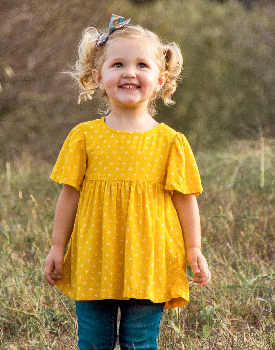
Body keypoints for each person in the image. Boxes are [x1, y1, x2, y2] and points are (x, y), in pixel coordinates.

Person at [42, 14, 211, 350]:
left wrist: (194, 249)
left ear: (160, 78)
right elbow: (69, 195)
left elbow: (185, 199)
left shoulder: (170, 141)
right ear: (98, 77)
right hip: (95, 259)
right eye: (117, 64)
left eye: (141, 65)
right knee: (93, 342)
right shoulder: (84, 137)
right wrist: (57, 246)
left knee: (139, 342)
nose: (130, 72)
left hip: (150, 261)